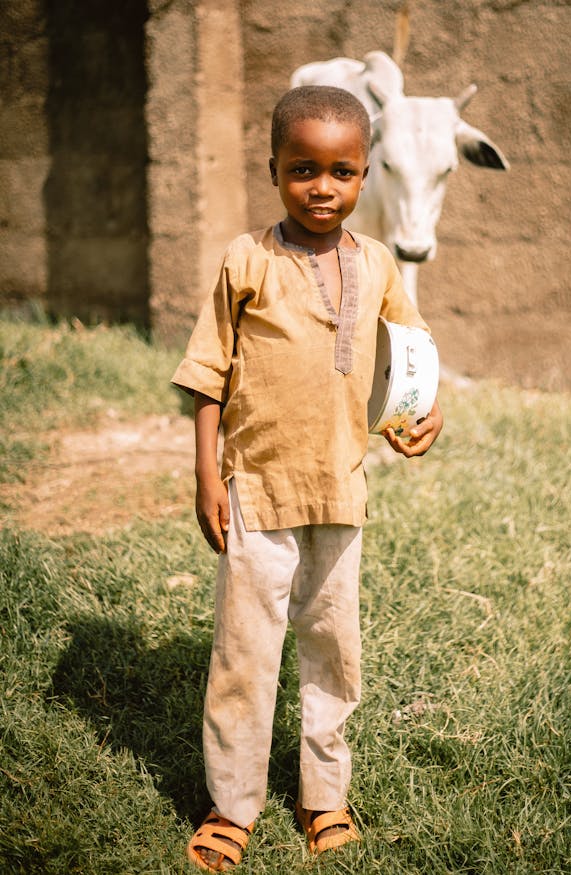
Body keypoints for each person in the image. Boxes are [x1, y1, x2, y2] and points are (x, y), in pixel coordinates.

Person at [172, 84, 443, 872]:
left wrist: (424, 418)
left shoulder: (381, 263)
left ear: (365, 177)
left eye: (342, 172)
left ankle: (323, 793)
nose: (323, 188)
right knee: (244, 657)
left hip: (340, 493)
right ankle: (233, 803)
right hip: (256, 491)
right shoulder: (245, 260)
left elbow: (412, 352)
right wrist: (206, 475)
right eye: (303, 170)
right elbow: (207, 374)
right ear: (273, 171)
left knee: (334, 654)